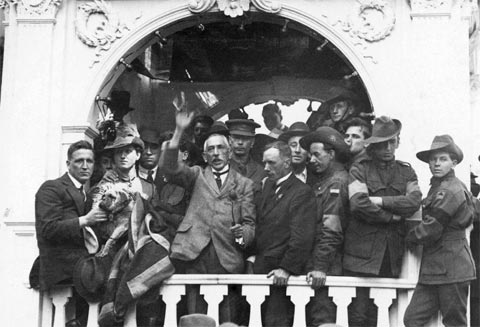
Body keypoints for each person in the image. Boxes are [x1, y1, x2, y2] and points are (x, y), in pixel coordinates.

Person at [161, 110, 256, 324]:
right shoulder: (196, 175)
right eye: (210, 149)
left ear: (230, 152)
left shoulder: (244, 185)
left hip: (228, 255)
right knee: (196, 316)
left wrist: (243, 235)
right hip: (195, 252)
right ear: (204, 156)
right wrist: (178, 131)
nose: (216, 153)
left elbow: (250, 225)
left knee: (227, 316)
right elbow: (169, 166)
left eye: (221, 148)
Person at [343, 116, 422, 327]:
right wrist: (392, 217)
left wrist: (379, 200)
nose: (388, 148)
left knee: (382, 316)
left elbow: (413, 201)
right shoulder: (360, 169)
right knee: (358, 316)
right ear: (374, 145)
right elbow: (358, 204)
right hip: (360, 255)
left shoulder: (406, 171)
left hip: (389, 256)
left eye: (392, 142)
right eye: (382, 143)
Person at [404, 135, 476, 327]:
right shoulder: (438, 188)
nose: (436, 164)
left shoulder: (451, 189)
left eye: (443, 159)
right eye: (433, 159)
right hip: (433, 269)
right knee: (412, 320)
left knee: (454, 323)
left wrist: (408, 237)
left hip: (452, 267)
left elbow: (431, 228)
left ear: (453, 162)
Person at [34, 140, 107, 326]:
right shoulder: (51, 188)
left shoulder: (86, 193)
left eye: (89, 161)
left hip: (79, 262)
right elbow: (47, 229)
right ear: (68, 164)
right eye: (79, 161)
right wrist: (85, 221)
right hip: (61, 265)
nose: (85, 166)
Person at [250, 141, 316, 327]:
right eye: (264, 163)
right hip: (262, 269)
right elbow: (263, 227)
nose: (266, 168)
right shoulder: (268, 188)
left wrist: (286, 268)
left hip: (281, 275)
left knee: (276, 322)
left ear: (287, 163)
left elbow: (302, 237)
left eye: (271, 163)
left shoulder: (301, 192)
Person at [299, 127, 350, 326]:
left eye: (316, 155)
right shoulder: (322, 182)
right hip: (316, 263)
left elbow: (332, 229)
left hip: (328, 267)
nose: (311, 160)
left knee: (323, 318)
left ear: (331, 154)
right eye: (310, 155)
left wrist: (320, 267)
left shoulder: (337, 183)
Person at [226, 118, 266, 191]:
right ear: (229, 140)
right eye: (236, 138)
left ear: (252, 142)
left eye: (245, 138)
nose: (240, 142)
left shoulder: (261, 172)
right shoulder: (220, 168)